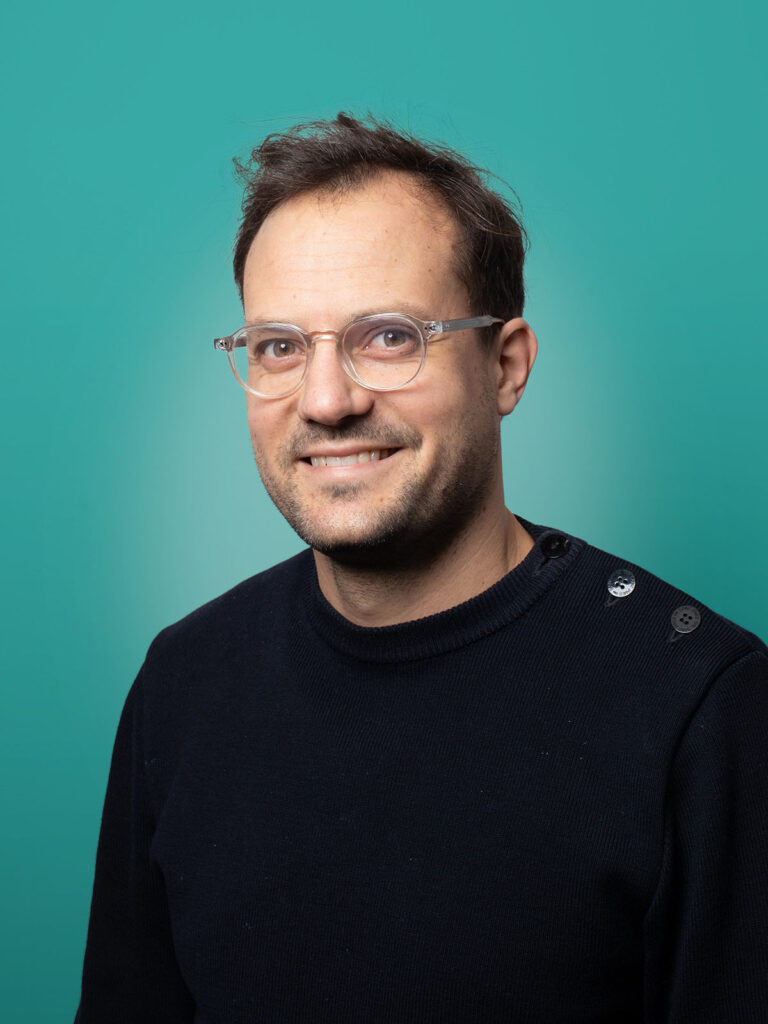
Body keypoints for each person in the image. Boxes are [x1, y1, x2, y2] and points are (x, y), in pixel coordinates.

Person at [74, 113, 768, 1023]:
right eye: (280, 346)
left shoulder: (701, 704)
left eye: (390, 337)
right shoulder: (184, 681)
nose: (327, 401)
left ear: (506, 368)